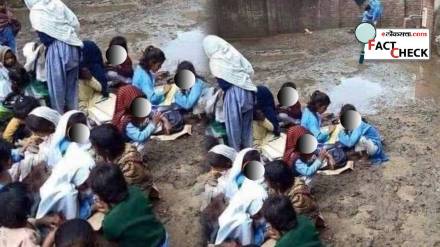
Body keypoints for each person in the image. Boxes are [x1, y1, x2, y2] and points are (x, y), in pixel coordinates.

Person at [25, 0, 83, 113]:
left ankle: (59, 116)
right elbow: (75, 23)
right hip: (73, 46)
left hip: (55, 49)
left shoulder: (35, 11)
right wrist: (70, 37)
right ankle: (74, 114)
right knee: (72, 86)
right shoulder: (57, 3)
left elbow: (44, 35)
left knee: (56, 88)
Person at [89, 164, 168, 247]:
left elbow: (112, 240)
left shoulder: (109, 223)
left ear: (102, 197)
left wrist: (109, 214)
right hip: (162, 238)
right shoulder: (135, 191)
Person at [203, 35, 257, 151]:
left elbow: (224, 84)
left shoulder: (215, 61)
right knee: (247, 126)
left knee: (234, 127)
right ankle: (249, 149)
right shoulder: (233, 53)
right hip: (248, 91)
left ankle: (236, 152)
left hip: (234, 95)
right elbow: (248, 70)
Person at [90, 124, 155, 195]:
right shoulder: (108, 153)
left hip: (137, 191)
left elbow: (123, 188)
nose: (93, 149)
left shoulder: (130, 165)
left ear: (105, 150)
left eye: (94, 146)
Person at [36, 142, 95, 220]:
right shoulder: (67, 193)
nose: (89, 189)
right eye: (85, 185)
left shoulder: (81, 164)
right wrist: (92, 208)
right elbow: (73, 220)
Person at [0, 182, 64, 247]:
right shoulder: (26, 238)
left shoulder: (6, 225)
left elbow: (28, 221)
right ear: (26, 213)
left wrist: (42, 220)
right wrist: (51, 237)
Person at [264, 160, 325, 227]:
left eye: (267, 180)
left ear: (277, 183)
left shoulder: (299, 198)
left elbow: (292, 219)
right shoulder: (277, 187)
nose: (266, 183)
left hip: (304, 221)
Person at [10, 106, 60, 184]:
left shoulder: (58, 141)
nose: (34, 134)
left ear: (47, 128)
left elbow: (47, 158)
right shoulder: (53, 130)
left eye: (36, 132)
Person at [112, 85, 170, 151]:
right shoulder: (126, 121)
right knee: (142, 142)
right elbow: (140, 137)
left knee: (154, 123)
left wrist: (165, 121)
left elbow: (154, 113)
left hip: (137, 130)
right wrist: (153, 124)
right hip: (128, 142)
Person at [215, 176, 268, 246]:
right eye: (258, 214)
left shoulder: (251, 196)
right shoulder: (244, 222)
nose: (262, 217)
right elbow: (249, 244)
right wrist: (265, 235)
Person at [201, 144, 237, 210]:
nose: (213, 169)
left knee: (207, 195)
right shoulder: (235, 157)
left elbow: (215, 193)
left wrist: (213, 178)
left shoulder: (228, 180)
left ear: (226, 165)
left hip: (235, 200)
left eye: (216, 168)